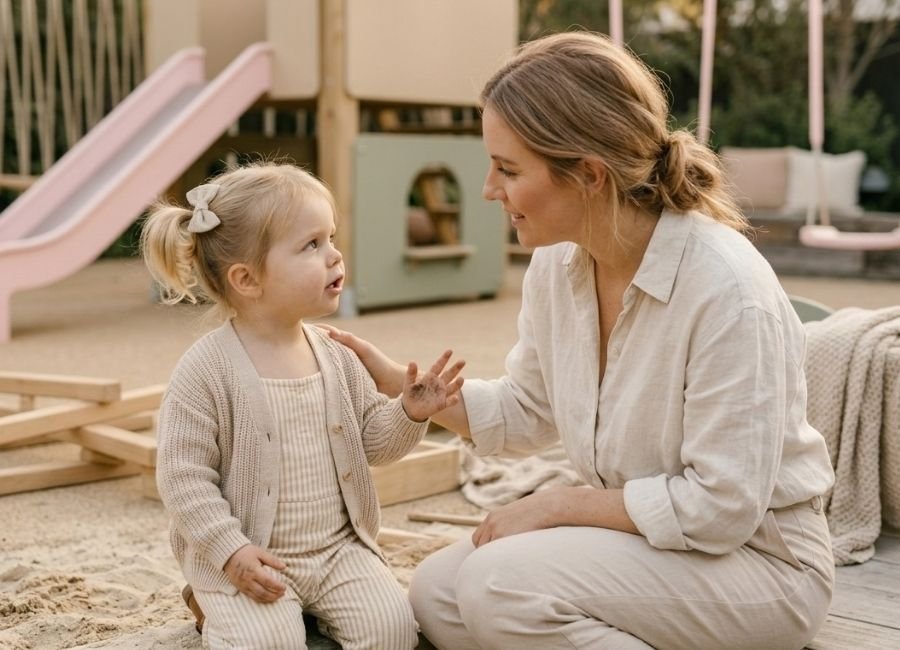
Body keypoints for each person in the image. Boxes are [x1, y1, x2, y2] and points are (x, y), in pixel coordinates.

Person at [328, 32, 836, 650]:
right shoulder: (559, 265)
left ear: (589, 174)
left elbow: (720, 508)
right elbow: (529, 410)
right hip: (652, 545)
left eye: (508, 169)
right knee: (437, 591)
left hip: (761, 567)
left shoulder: (727, 291)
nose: (490, 189)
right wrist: (396, 383)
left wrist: (556, 506)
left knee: (499, 586)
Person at [141, 162, 464, 650]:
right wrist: (230, 552)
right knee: (270, 644)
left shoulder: (336, 354)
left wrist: (408, 412)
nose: (335, 256)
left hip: (338, 551)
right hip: (252, 559)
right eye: (311, 245)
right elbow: (183, 478)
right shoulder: (205, 370)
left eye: (330, 238)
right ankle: (210, 598)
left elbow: (372, 442)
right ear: (247, 279)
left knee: (394, 632)